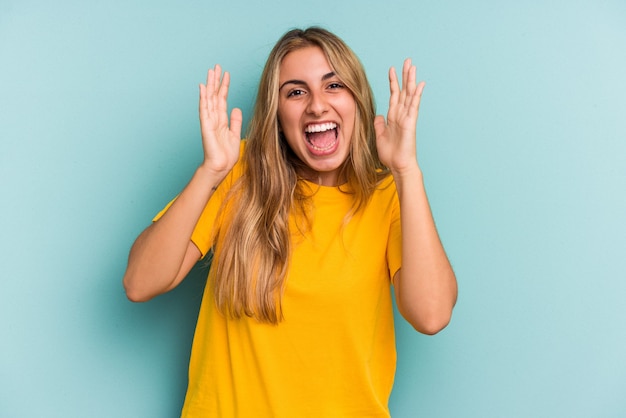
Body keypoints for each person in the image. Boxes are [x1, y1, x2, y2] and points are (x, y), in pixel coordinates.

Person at [123, 27, 457, 418]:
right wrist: (210, 170)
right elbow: (139, 283)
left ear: (358, 100)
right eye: (296, 92)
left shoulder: (388, 196)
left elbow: (431, 315)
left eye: (334, 86)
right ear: (277, 115)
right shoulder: (239, 173)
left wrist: (406, 170)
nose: (317, 105)